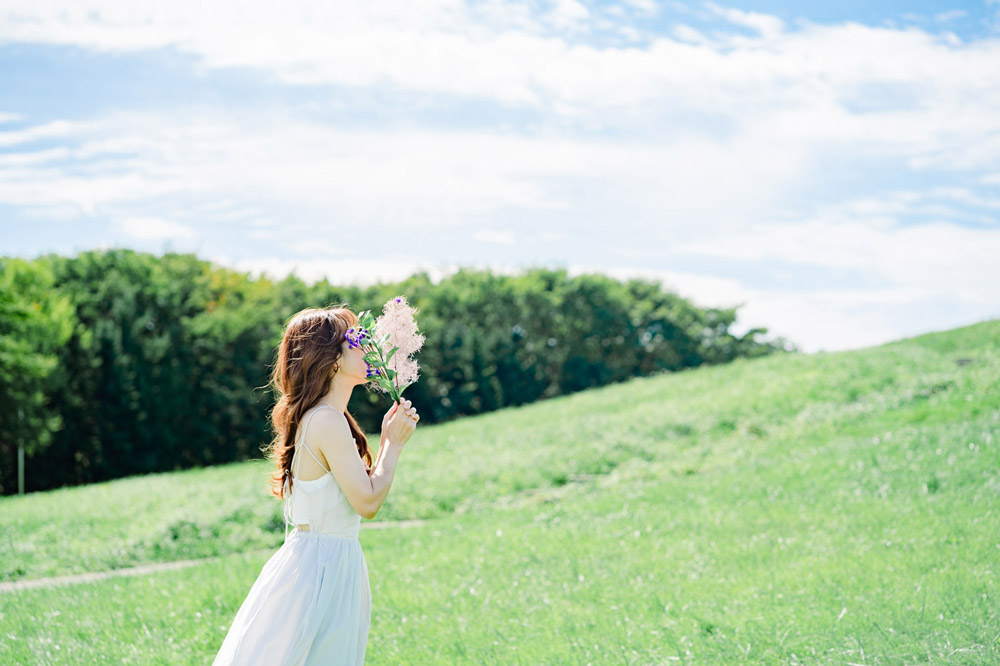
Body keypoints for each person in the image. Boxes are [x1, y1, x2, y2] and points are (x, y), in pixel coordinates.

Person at [213, 305, 419, 665]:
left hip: (324, 564)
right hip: (320, 571)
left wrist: (388, 441)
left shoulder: (329, 417)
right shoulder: (325, 420)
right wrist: (394, 445)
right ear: (333, 359)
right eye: (356, 339)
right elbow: (367, 504)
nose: (370, 346)